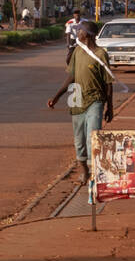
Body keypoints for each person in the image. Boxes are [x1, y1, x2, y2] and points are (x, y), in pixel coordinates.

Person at [47, 20, 114, 183]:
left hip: (95, 98)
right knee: (79, 140)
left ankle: (93, 172)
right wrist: (57, 97)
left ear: (88, 35)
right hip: (76, 98)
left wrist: (110, 107)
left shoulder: (100, 54)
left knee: (93, 135)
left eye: (80, 31)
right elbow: (71, 76)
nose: (77, 33)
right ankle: (84, 170)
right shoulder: (77, 51)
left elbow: (108, 83)